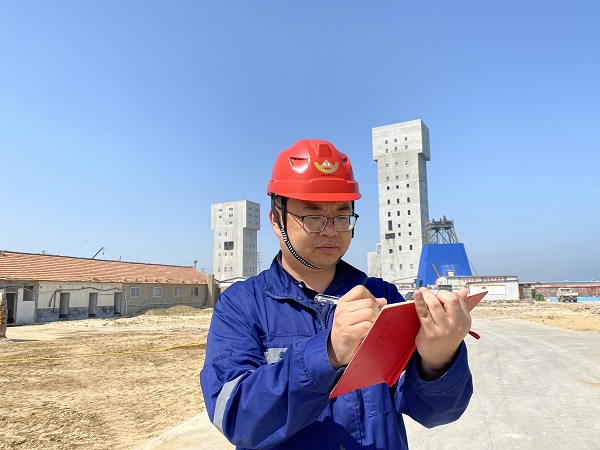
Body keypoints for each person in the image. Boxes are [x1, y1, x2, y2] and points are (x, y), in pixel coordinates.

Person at [200, 139, 474, 450]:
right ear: (277, 219)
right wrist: (327, 353)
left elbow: (435, 413)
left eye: (342, 217)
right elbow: (236, 418)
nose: (331, 230)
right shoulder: (241, 305)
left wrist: (439, 360)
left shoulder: (382, 296)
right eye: (313, 217)